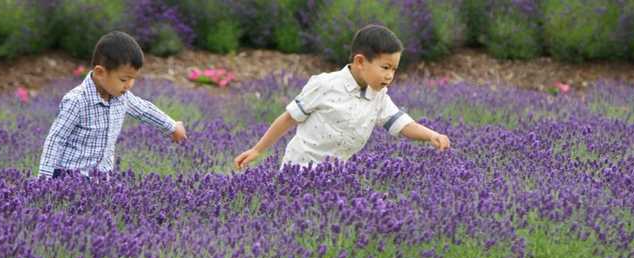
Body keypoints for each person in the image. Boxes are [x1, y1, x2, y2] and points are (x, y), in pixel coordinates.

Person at [233, 24, 450, 171]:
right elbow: (290, 117)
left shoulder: (378, 96)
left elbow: (402, 123)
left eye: (394, 69)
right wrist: (257, 150)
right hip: (299, 168)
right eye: (385, 67)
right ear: (360, 61)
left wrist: (431, 135)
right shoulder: (325, 85)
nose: (390, 76)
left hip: (336, 174)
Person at [38, 31, 187, 179]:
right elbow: (56, 139)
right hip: (70, 175)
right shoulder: (77, 100)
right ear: (100, 72)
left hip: (101, 177)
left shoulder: (121, 97)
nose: (129, 85)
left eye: (132, 79)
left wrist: (172, 126)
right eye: (123, 79)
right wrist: (44, 179)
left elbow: (144, 110)